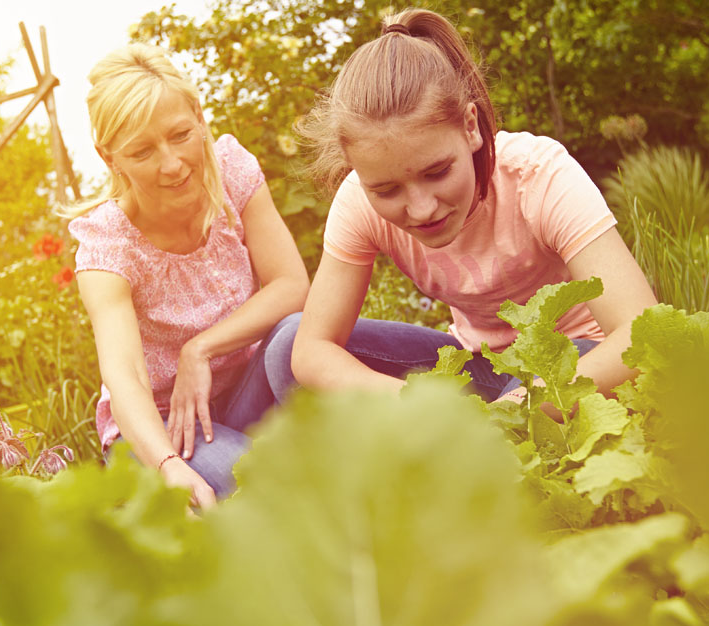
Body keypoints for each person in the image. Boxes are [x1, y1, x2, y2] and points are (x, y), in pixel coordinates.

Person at [280, 7, 657, 404]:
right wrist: (423, 405)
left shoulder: (538, 176)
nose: (422, 208)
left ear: (470, 126)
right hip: (477, 368)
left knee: (540, 381)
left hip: (574, 360)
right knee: (285, 343)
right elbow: (311, 351)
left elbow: (641, 332)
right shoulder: (358, 200)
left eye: (438, 171)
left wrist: (520, 407)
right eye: (387, 191)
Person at [65, 44, 308, 508]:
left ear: (198, 115)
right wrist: (168, 466)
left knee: (295, 335)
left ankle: (463, 396)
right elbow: (126, 379)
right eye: (142, 151)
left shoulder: (231, 171)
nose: (172, 164)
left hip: (242, 394)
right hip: (163, 430)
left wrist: (200, 348)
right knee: (270, 493)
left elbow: (292, 286)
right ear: (109, 156)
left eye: (180, 134)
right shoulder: (107, 245)